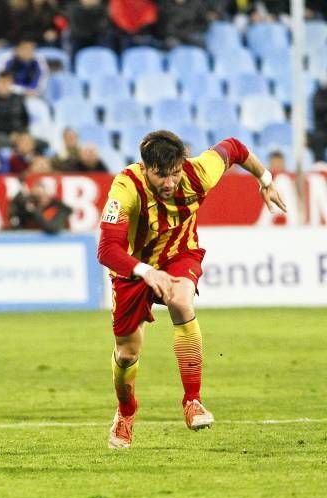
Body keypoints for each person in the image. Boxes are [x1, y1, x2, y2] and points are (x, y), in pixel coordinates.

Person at [97, 130, 287, 449]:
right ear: (146, 168)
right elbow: (106, 249)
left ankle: (193, 401)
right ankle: (125, 413)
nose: (170, 182)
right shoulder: (126, 187)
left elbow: (235, 148)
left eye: (174, 173)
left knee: (182, 300)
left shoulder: (199, 171)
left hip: (179, 255)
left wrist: (265, 178)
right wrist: (145, 272)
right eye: (161, 175)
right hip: (133, 268)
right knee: (128, 352)